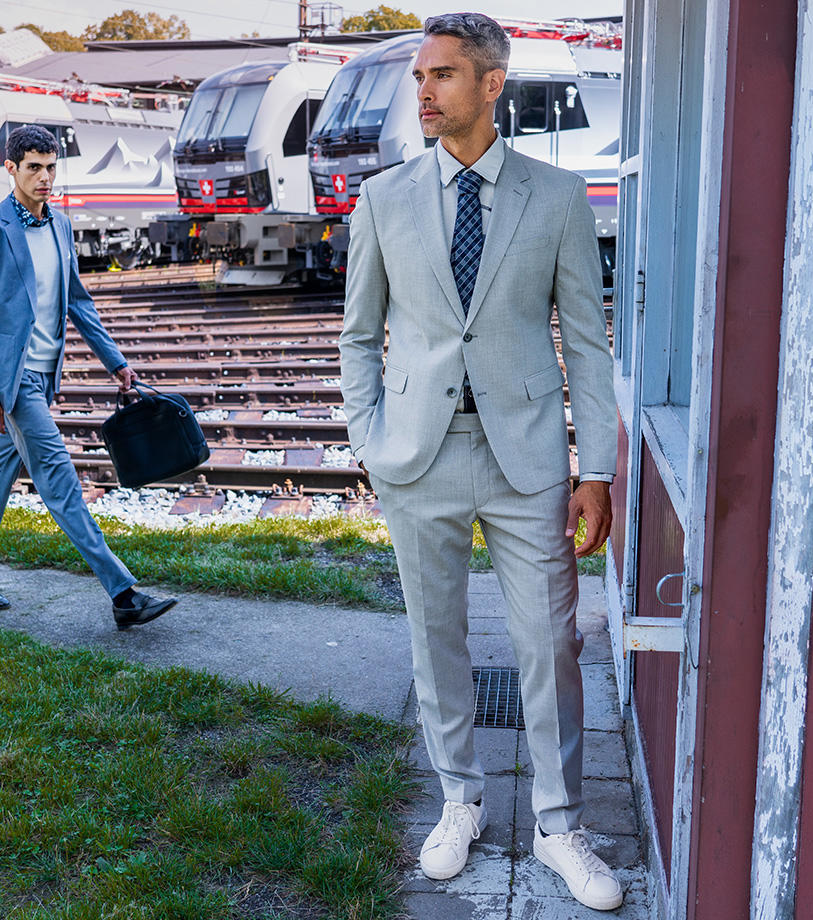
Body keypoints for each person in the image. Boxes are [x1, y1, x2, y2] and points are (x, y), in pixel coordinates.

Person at [339, 13, 622, 912]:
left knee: (551, 645)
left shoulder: (559, 198)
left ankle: (559, 824)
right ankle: (459, 800)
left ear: (492, 84)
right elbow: (357, 337)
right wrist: (369, 441)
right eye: (420, 76)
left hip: (527, 459)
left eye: (443, 75)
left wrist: (597, 469)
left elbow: (588, 344)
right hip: (417, 457)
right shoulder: (383, 198)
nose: (423, 91)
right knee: (437, 640)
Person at [0, 124, 177, 629]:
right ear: (11, 169)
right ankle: (123, 594)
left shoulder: (60, 225)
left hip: (43, 376)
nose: (45, 177)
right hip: (13, 383)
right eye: (34, 167)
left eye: (51, 168)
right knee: (60, 481)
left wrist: (116, 362)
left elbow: (78, 301)